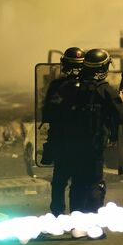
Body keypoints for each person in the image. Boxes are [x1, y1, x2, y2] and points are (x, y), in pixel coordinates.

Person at [42, 48, 123, 220]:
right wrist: (120, 101)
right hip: (93, 148)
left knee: (72, 184)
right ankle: (92, 223)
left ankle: (70, 220)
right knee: (93, 184)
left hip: (67, 145)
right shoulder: (104, 90)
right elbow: (121, 116)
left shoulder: (65, 88)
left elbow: (49, 114)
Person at [41, 47, 85, 216]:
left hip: (63, 142)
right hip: (83, 143)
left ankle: (58, 216)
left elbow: (47, 114)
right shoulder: (92, 87)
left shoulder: (57, 86)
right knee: (79, 183)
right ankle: (77, 216)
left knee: (59, 182)